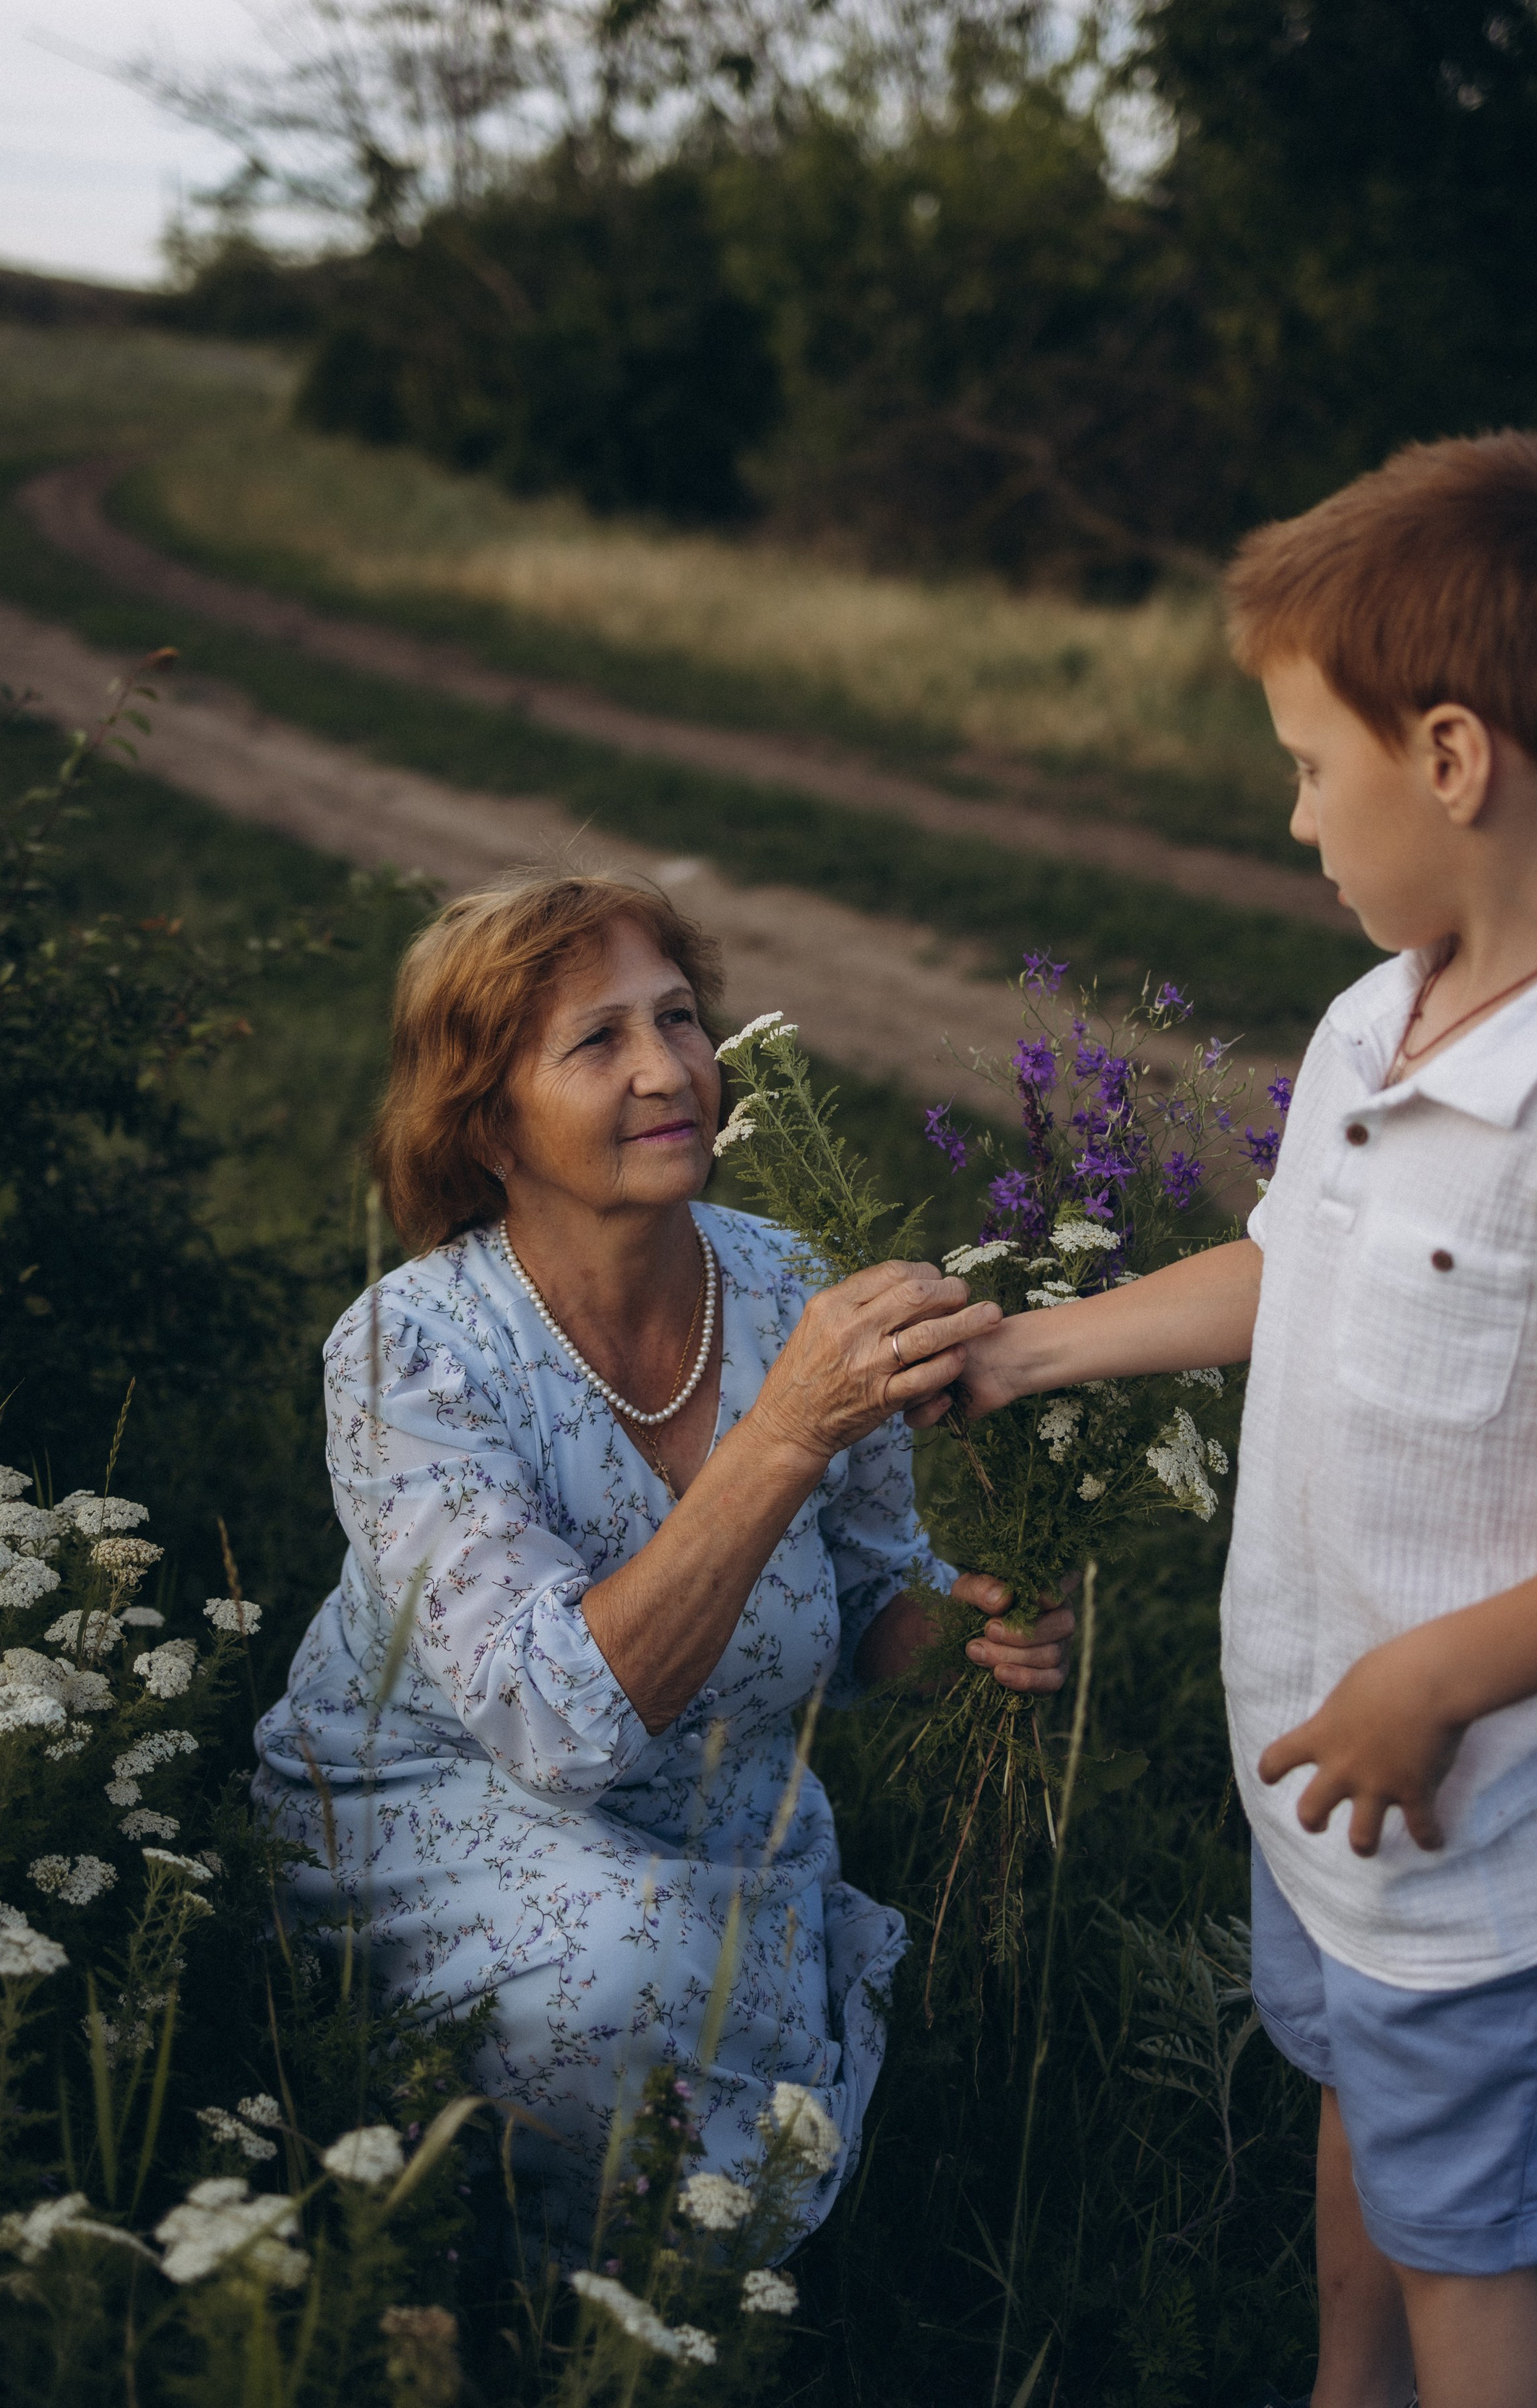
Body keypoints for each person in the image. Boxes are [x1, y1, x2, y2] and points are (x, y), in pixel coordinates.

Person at [926, 434, 1537, 2408]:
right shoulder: (1384, 1012)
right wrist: (1045, 1345)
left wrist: (1438, 1677)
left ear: (1452, 760)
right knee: (1360, 2151)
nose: (1293, 819)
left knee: (1476, 2263)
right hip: (1332, 1811)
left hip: (1489, 1835)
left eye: (1307, 764)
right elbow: (1303, 1264)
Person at [253, 872, 1059, 2253]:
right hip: (438, 1806)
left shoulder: (793, 1288)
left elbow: (871, 1600)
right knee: (627, 1970)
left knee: (671, 1972)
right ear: (489, 1125)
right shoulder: (414, 1353)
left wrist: (965, 1625)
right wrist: (790, 1429)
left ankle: (679, 2280)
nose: (668, 1069)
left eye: (678, 1019)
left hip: (721, 1818)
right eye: (596, 1042)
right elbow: (550, 1729)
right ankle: (527, 2291)